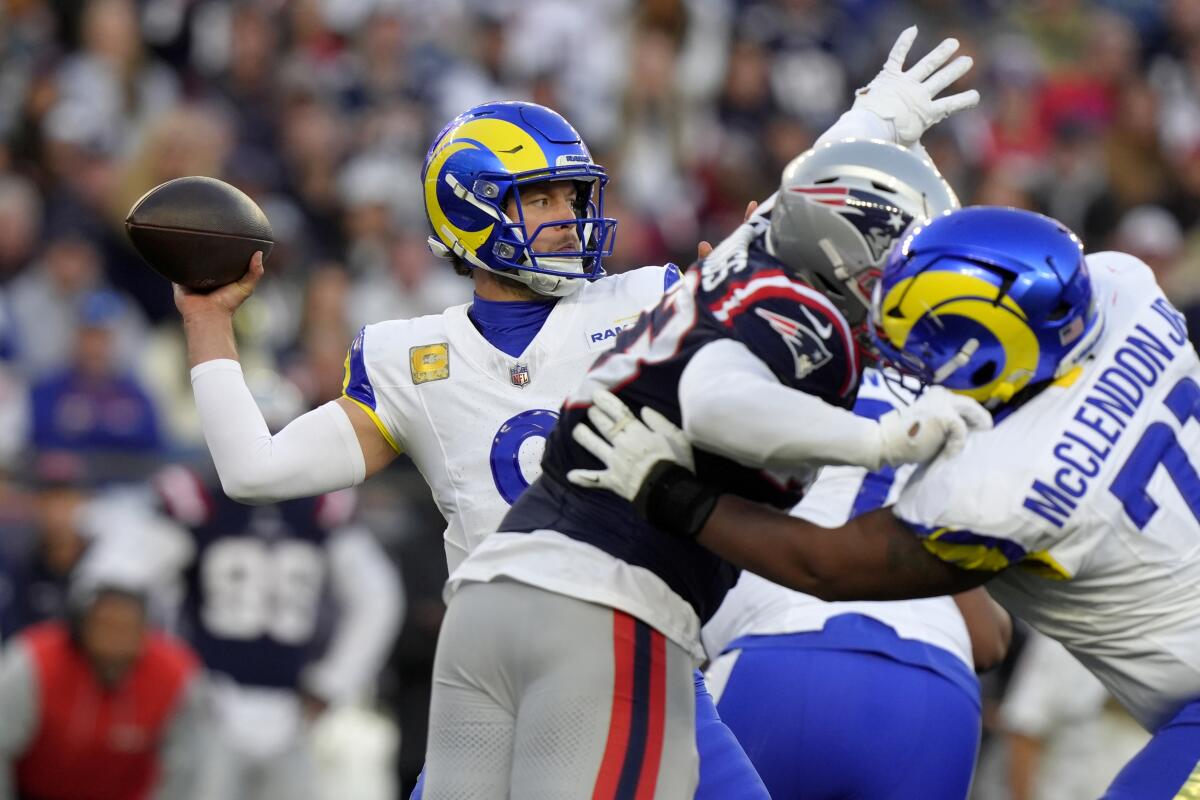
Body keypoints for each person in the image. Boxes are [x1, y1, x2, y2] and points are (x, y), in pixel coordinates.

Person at [173, 27, 979, 798]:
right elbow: (256, 471)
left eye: (573, 192)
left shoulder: (639, 298)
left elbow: (776, 231)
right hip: (573, 642)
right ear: (471, 211)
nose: (568, 213)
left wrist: (872, 122)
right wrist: (208, 319)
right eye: (541, 197)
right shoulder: (413, 356)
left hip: (577, 642)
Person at [425, 135, 990, 796]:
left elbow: (806, 208)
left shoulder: (710, 291)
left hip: (491, 594)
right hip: (603, 607)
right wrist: (879, 443)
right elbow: (720, 402)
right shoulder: (807, 328)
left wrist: (878, 115)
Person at [572, 206, 1200, 799]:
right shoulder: (1125, 287)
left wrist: (667, 492)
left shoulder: (1003, 483)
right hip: (941, 700)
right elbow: (987, 638)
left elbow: (825, 564)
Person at [702, 367, 1011, 800]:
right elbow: (988, 640)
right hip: (933, 687)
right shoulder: (951, 404)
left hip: (778, 655)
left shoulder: (761, 365)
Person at [126, 463, 405, 800]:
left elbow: (377, 600)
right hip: (211, 696)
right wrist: (174, 670)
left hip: (287, 705)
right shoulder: (202, 499)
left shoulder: (316, 507)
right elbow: (126, 588)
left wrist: (332, 682)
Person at [0, 567, 206, 800]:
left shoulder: (175, 674)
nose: (115, 642)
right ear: (80, 628)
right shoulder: (34, 664)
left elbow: (188, 764)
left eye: (127, 629)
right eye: (105, 626)